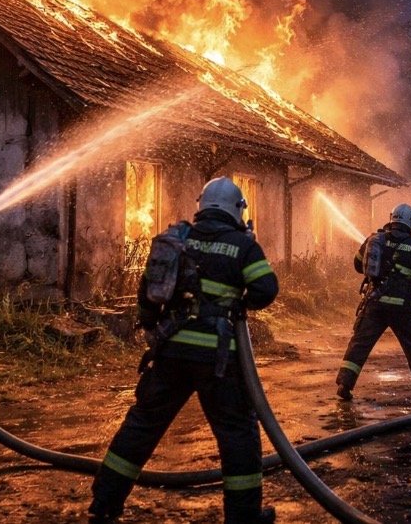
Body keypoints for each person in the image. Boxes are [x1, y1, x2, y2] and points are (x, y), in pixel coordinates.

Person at [89, 177, 279, 524]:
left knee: (143, 424)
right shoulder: (243, 245)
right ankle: (244, 517)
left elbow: (148, 290)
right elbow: (266, 289)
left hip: (171, 352)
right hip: (218, 359)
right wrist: (239, 304)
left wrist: (150, 325)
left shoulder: (179, 239)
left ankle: (104, 503)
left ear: (201, 205)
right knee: (237, 434)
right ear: (237, 209)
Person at [335, 203, 411, 408]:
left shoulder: (375, 239)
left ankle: (344, 385)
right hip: (403, 308)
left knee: (360, 344)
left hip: (375, 303)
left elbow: (358, 265)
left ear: (392, 218)